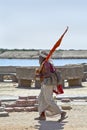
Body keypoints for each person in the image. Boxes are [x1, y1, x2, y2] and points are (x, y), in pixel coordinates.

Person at [35, 50, 67, 122]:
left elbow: (49, 74)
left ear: (42, 57)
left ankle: (61, 112)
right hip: (45, 83)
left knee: (48, 99)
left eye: (39, 57)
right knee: (41, 98)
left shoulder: (46, 63)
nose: (38, 58)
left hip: (48, 83)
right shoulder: (45, 63)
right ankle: (42, 115)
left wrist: (40, 75)